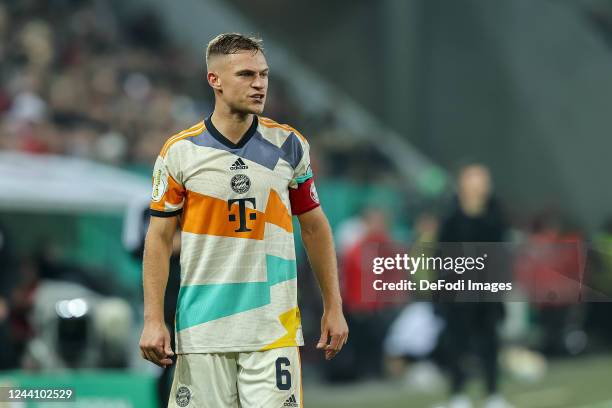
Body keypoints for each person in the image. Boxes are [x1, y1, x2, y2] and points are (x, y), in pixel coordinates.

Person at [139, 33, 348, 408]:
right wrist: (154, 318)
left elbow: (314, 226)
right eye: (246, 74)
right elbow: (157, 238)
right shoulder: (180, 152)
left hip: (273, 329)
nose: (259, 83)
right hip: (202, 330)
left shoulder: (289, 146)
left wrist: (334, 305)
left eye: (264, 74)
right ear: (214, 80)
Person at [437, 163, 511, 408]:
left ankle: (493, 393)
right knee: (457, 343)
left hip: (487, 291)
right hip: (458, 293)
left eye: (482, 180)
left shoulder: (496, 216)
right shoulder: (451, 219)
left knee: (489, 342)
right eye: (472, 179)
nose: (478, 185)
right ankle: (458, 394)